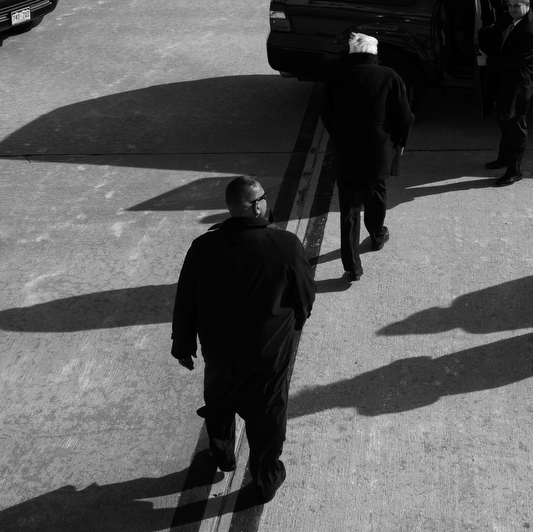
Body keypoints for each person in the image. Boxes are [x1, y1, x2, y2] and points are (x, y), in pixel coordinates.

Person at [171, 175, 315, 502]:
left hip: (220, 351)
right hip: (268, 354)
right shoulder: (285, 245)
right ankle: (265, 480)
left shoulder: (203, 247)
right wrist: (294, 325)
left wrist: (182, 345)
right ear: (256, 205)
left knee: (220, 404)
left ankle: (221, 455)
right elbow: (305, 294)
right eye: (264, 196)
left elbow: (186, 301)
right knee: (266, 418)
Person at [320, 32, 414, 281]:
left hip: (346, 150)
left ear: (352, 52)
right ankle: (377, 235)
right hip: (378, 151)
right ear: (374, 53)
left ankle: (352, 266)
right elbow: (404, 116)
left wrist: (338, 134)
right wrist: (401, 140)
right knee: (376, 191)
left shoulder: (336, 76)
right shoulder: (389, 76)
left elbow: (326, 113)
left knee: (349, 209)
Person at [471, 0, 533, 186]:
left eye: (516, 7)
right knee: (504, 120)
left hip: (518, 85)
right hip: (504, 79)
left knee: (515, 126)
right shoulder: (512, 14)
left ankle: (515, 170)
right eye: (510, 6)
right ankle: (503, 158)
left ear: (527, 5)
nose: (511, 10)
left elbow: (515, 61)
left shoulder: (531, 31)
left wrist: (487, 62)